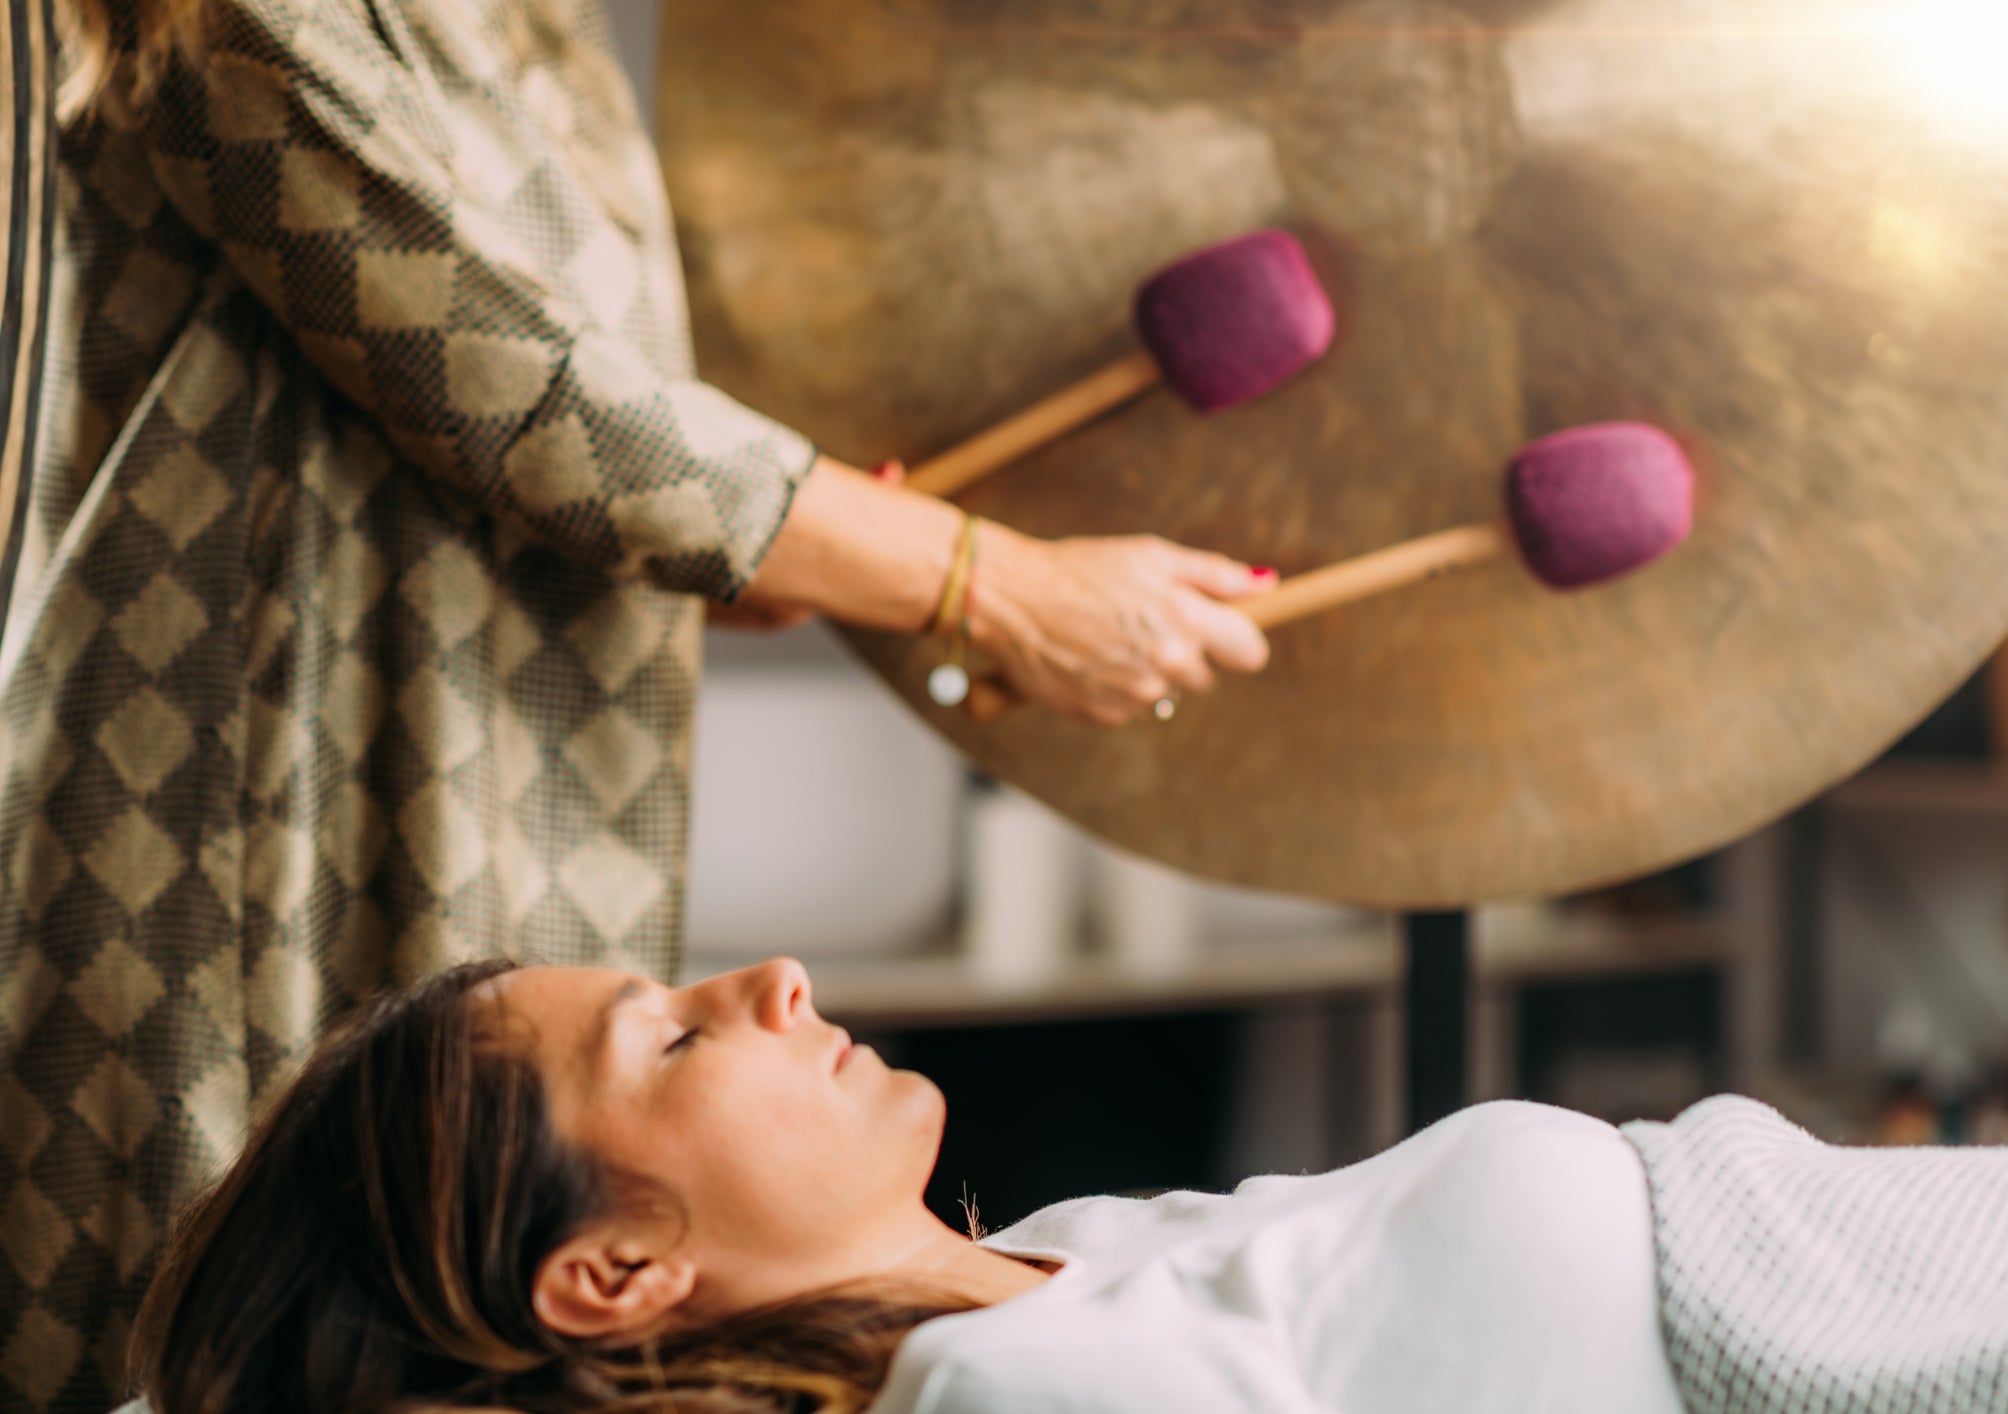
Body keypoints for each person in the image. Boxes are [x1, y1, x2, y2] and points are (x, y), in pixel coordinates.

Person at [0, 1, 1275, 1405]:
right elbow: (512, 383)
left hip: (534, 754)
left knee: (564, 1309)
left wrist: (722, 553)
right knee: (305, 1306)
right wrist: (982, 581)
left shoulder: (548, 24)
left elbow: (528, 416)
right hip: (256, 782)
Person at [131, 957, 2008, 1414]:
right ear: (614, 1266)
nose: (773, 979)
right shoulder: (1010, 1396)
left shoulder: (1056, 1270)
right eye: (670, 1034)